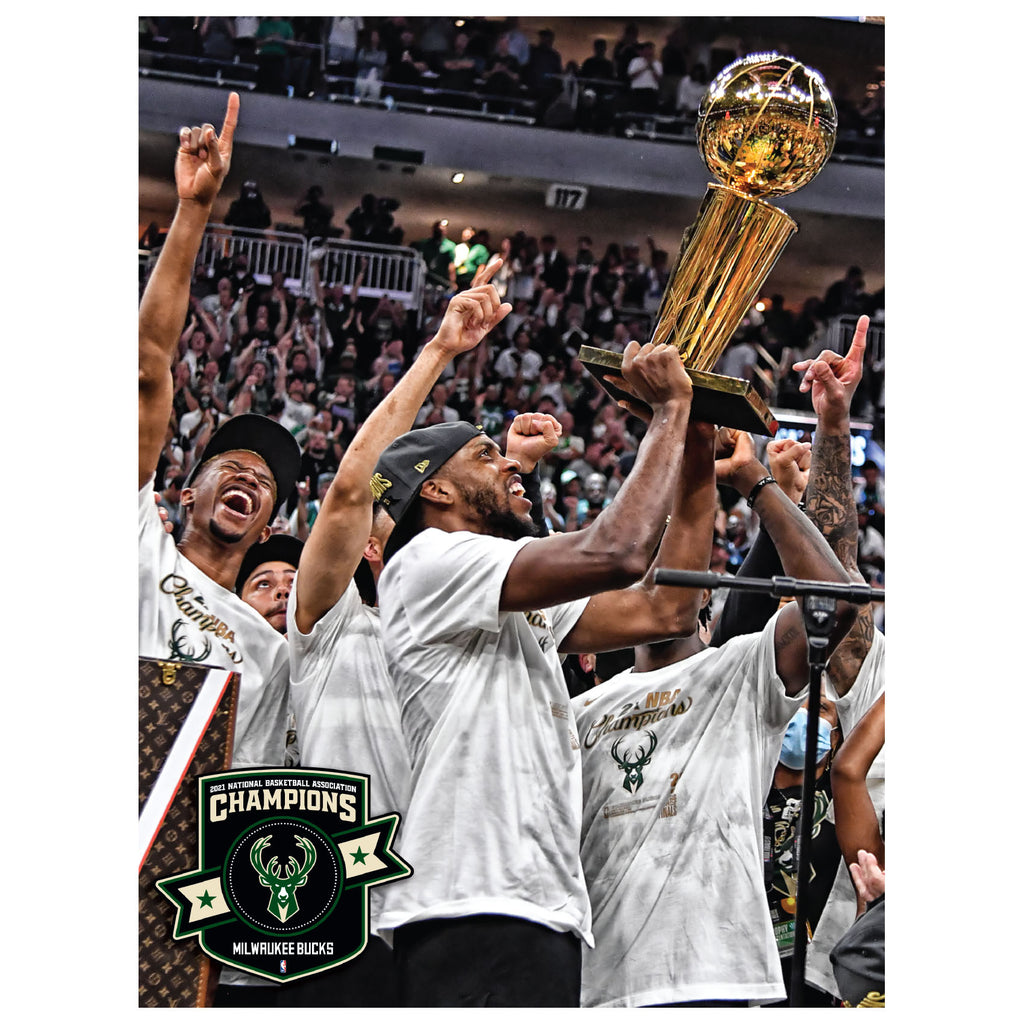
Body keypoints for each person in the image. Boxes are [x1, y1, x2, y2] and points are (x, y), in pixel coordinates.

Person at [373, 337, 720, 1007]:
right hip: (466, 903)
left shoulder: (503, 596)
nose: (510, 463)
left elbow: (667, 610)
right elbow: (616, 552)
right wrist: (669, 412)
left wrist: (696, 448)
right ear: (435, 488)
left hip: (543, 904)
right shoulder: (427, 563)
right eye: (485, 455)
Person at [281, 259, 513, 1006]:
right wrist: (440, 351)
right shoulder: (330, 622)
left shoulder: (469, 628)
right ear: (373, 552)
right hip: (331, 908)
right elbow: (356, 486)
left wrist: (515, 472)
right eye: (395, 524)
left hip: (440, 906)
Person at [571, 424, 857, 1007]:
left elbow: (835, 597)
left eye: (675, 564)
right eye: (644, 566)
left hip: (714, 973)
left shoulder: (740, 671)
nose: (656, 577)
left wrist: (756, 481)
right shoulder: (580, 710)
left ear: (705, 591)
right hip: (597, 984)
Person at [137, 96, 303, 1007]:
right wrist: (194, 209)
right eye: (231, 466)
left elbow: (254, 801)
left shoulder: (268, 648)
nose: (250, 478)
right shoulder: (139, 547)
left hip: (175, 880)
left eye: (267, 482)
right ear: (185, 490)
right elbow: (146, 367)